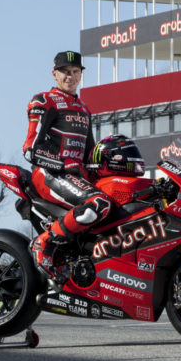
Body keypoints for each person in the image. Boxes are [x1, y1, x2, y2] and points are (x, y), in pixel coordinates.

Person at [23, 51, 118, 279]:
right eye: (65, 72)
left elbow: (90, 156)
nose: (71, 76)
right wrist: (63, 165)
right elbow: (30, 149)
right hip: (49, 174)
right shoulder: (44, 101)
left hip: (76, 177)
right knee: (98, 203)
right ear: (55, 74)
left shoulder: (84, 110)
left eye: (76, 72)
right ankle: (43, 243)